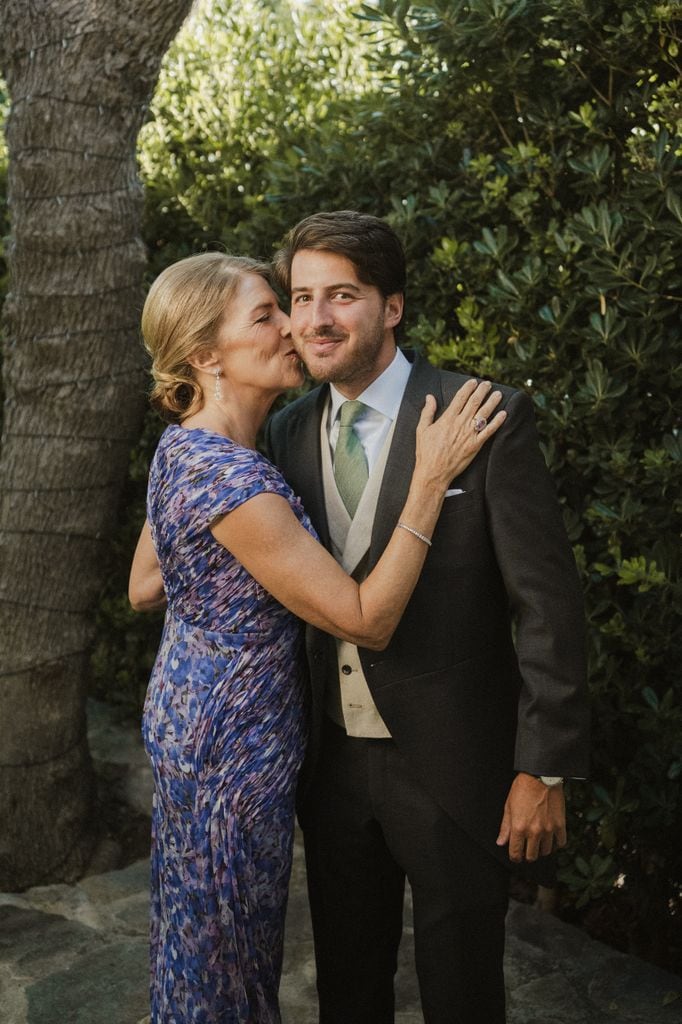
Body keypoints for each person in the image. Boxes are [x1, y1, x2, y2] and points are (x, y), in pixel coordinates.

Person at [128, 250, 505, 1024]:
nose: (293, 326)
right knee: (223, 962)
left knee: (201, 942)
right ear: (206, 354)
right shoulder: (231, 478)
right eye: (266, 314)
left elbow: (144, 585)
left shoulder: (189, 448)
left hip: (187, 718)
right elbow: (366, 618)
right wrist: (428, 479)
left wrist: (222, 587)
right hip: (231, 748)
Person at [265, 210, 590, 1024]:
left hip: (454, 765)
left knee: (463, 992)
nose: (317, 319)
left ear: (393, 306)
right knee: (348, 985)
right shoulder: (286, 430)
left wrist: (542, 767)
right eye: (301, 298)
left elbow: (548, 606)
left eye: (342, 294)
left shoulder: (483, 415)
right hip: (331, 766)